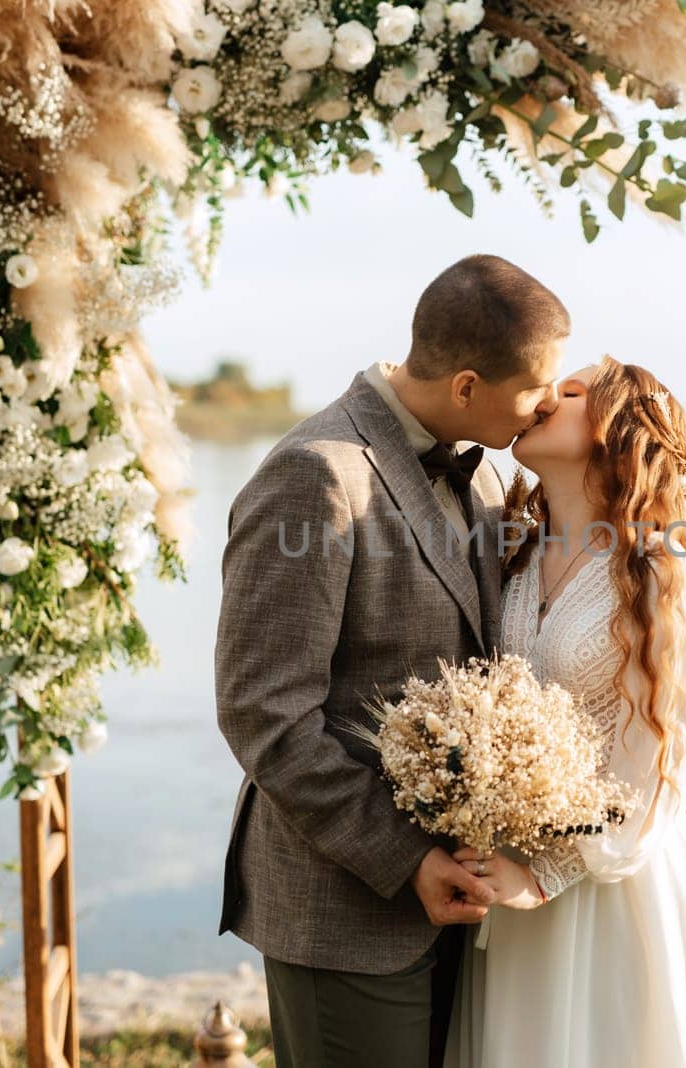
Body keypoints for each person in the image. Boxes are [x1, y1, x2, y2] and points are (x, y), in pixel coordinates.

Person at [214, 253, 567, 1067]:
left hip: (465, 913)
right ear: (469, 386)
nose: (547, 403)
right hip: (345, 910)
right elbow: (263, 713)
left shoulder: (479, 476)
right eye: (535, 387)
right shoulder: (317, 476)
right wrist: (406, 857)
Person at [443, 355, 686, 1067]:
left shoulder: (662, 572)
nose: (540, 398)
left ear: (617, 432)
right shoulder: (515, 553)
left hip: (608, 884)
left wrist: (548, 872)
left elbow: (662, 763)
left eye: (568, 392)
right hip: (504, 872)